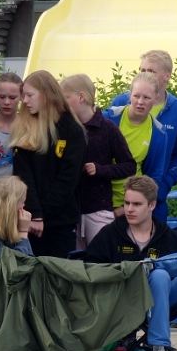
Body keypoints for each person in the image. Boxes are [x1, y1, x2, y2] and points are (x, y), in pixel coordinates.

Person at [86, 176, 177, 351]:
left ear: (152, 205)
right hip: (125, 298)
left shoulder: (167, 235)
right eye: (127, 203)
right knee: (160, 276)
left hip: (165, 297)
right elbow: (91, 269)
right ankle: (158, 350)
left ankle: (151, 265)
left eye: (136, 204)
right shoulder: (110, 233)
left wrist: (153, 266)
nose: (129, 209)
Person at [10, 70, 87, 258]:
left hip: (61, 222)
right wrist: (34, 214)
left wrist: (41, 214)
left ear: (47, 94)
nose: (24, 101)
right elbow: (23, 177)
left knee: (58, 272)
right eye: (23, 96)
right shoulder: (24, 127)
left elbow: (68, 180)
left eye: (30, 95)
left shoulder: (72, 129)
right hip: (28, 220)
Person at [108, 50, 177, 221]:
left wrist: (162, 186)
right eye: (142, 70)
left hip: (154, 198)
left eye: (151, 71)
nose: (145, 75)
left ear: (167, 76)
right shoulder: (120, 104)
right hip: (111, 197)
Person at [60, 74, 136, 248]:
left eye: (66, 98)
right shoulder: (63, 128)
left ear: (81, 97)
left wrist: (100, 169)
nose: (62, 104)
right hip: (69, 211)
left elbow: (129, 166)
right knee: (72, 261)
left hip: (98, 210)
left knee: (102, 259)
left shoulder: (107, 128)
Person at [104, 72, 168, 220]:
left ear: (156, 99)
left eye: (146, 97)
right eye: (136, 96)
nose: (140, 102)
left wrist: (125, 208)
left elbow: (155, 176)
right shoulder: (109, 118)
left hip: (131, 207)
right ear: (129, 95)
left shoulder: (159, 132)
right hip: (100, 201)